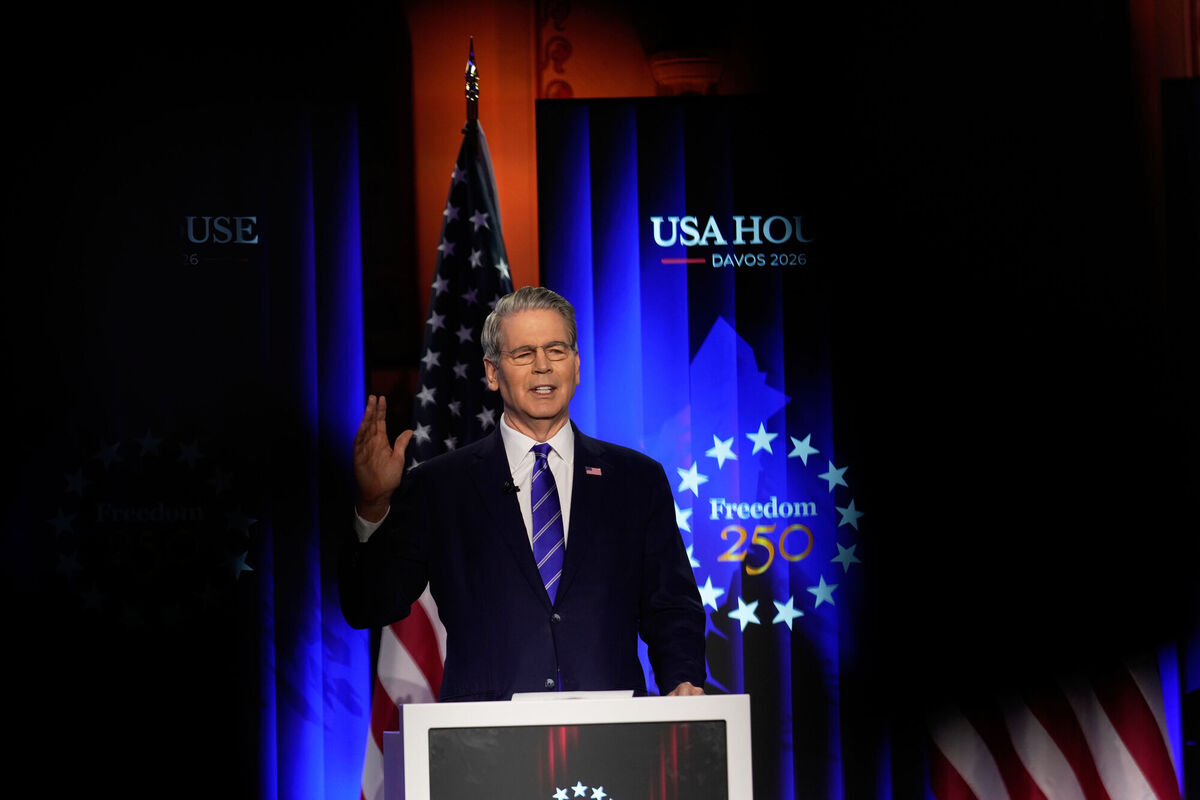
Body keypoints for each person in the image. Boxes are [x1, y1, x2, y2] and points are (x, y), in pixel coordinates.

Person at [340, 286, 706, 701]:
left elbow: (671, 605)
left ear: (576, 365)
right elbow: (369, 605)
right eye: (524, 354)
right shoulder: (440, 486)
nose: (543, 367)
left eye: (556, 350)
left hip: (611, 738)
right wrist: (373, 505)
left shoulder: (636, 480)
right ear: (493, 373)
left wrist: (682, 681)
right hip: (485, 745)